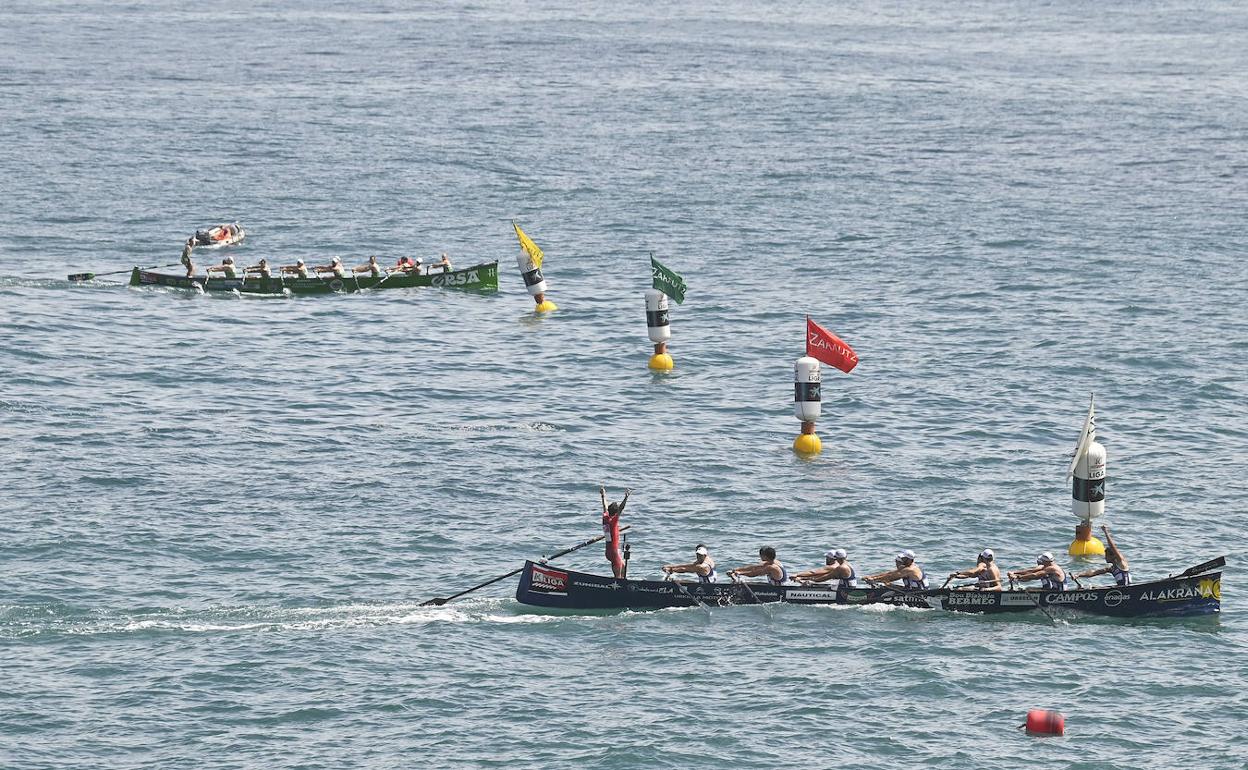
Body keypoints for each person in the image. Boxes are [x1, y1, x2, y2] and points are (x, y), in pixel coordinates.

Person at [600, 486, 630, 579]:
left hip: (608, 552)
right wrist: (626, 497)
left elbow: (604, 506)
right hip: (614, 552)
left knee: (623, 566)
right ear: (615, 513)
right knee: (618, 577)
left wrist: (603, 495)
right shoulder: (613, 521)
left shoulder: (605, 517)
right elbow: (621, 508)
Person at [792, 548, 857, 591]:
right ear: (846, 556)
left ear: (836, 558)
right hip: (850, 589)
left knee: (808, 585)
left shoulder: (841, 568)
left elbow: (826, 577)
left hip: (845, 591)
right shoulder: (848, 564)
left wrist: (810, 581)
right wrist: (804, 579)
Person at [864, 550, 929, 589]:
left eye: (903, 558)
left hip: (919, 593)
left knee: (886, 584)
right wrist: (872, 577)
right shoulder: (906, 567)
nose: (901, 560)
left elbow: (891, 577)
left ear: (909, 560)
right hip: (909, 590)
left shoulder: (910, 569)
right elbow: (890, 574)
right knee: (887, 584)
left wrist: (874, 579)